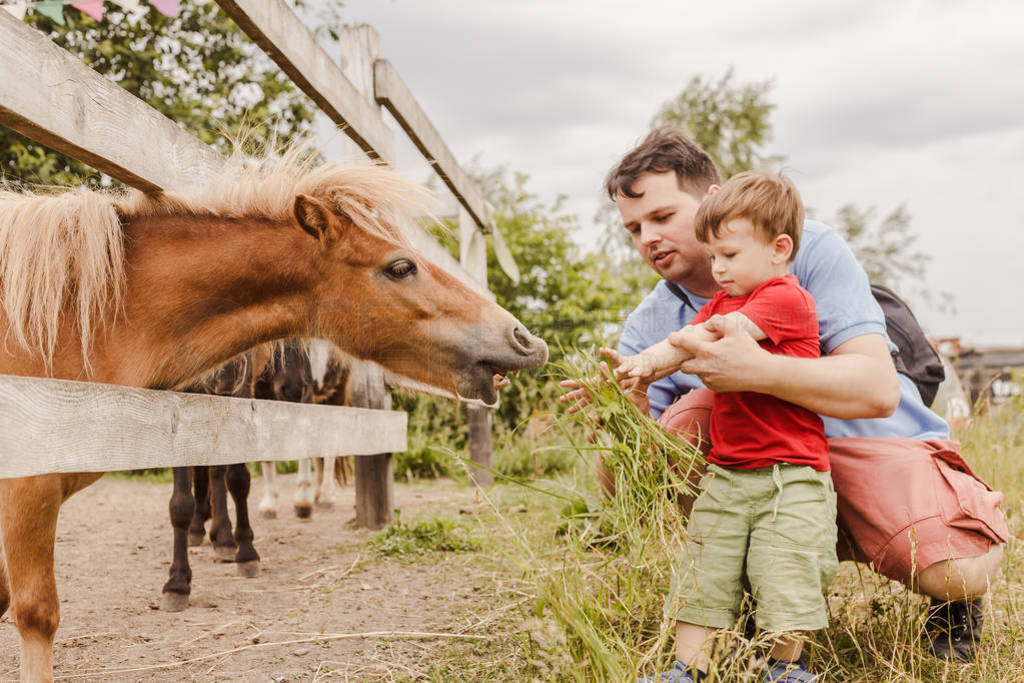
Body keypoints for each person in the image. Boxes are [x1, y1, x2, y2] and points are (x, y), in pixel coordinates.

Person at [561, 126, 1008, 667]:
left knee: (956, 574)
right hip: (758, 473)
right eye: (633, 228)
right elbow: (635, 493)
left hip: (865, 443)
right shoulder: (648, 324)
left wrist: (761, 371)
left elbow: (876, 390)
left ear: (710, 202)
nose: (646, 238)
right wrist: (624, 421)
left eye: (660, 216)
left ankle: (956, 577)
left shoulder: (804, 249)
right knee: (689, 422)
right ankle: (753, 594)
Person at [611, 171, 835, 682]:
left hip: (791, 474)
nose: (718, 268)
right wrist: (641, 366)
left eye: (730, 256)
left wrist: (675, 352)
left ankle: (786, 669)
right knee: (703, 570)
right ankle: (686, 669)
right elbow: (685, 337)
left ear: (779, 249)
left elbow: (710, 337)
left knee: (785, 571)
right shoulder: (723, 302)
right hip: (730, 472)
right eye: (712, 256)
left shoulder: (785, 299)